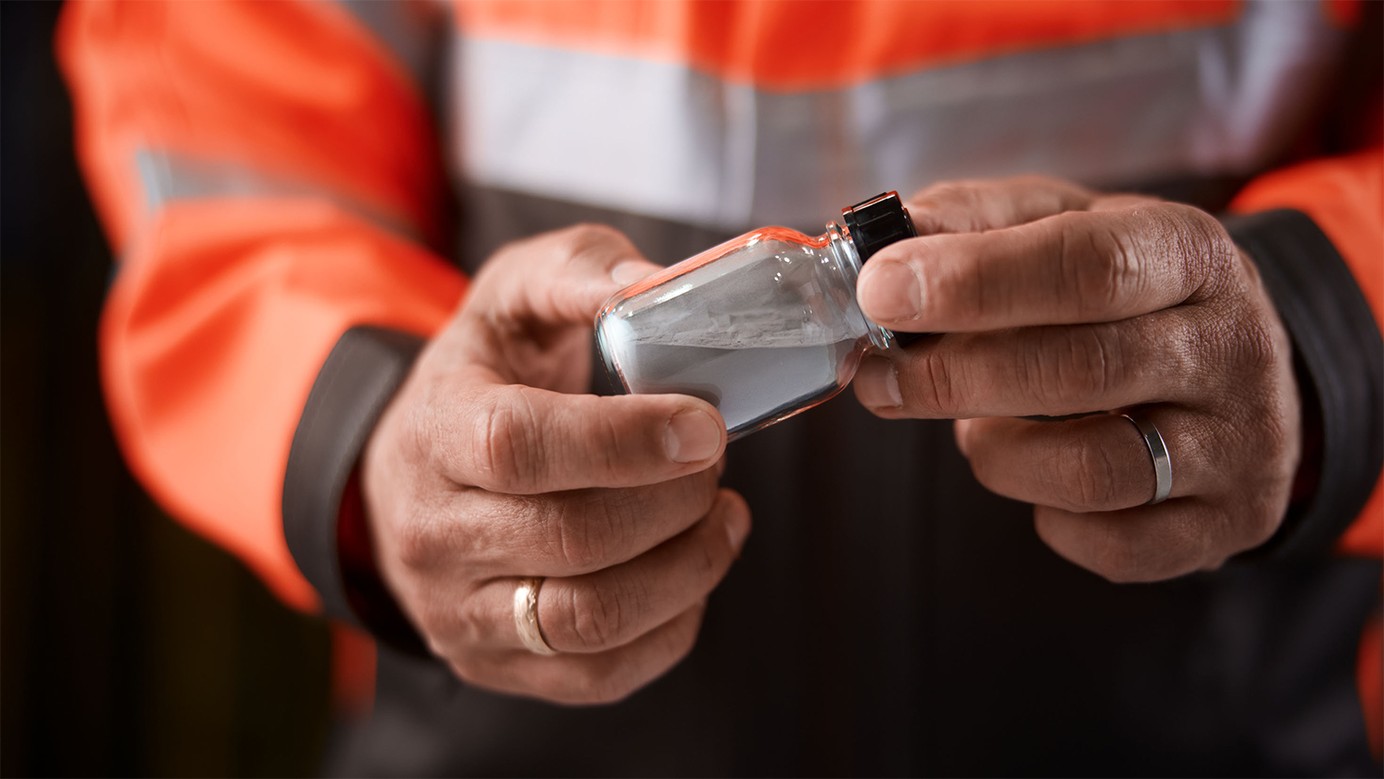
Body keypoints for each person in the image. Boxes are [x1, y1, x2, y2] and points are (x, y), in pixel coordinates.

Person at [59, 0, 1381, 774]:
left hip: (1215, 718)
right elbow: (224, 113)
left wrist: (1327, 337)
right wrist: (373, 436)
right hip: (508, 729)